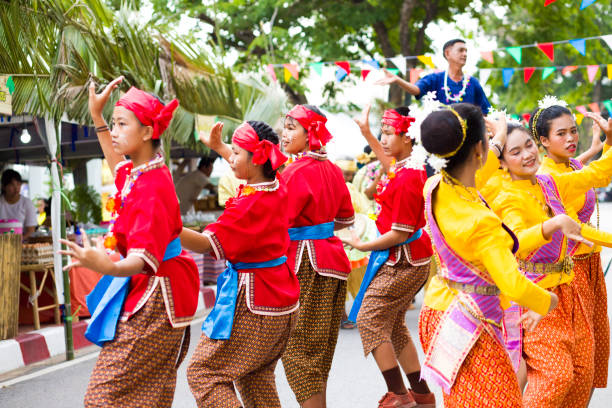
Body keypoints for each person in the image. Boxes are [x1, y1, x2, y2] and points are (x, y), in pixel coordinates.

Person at [59, 77, 200, 407]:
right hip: (156, 288)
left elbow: (142, 258)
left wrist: (108, 265)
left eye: (122, 124)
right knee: (149, 395)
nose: (115, 130)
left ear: (149, 131)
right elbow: (117, 165)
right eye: (113, 124)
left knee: (102, 399)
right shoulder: (140, 171)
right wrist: (97, 118)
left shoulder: (153, 185)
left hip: (156, 291)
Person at [417, 103, 558, 407]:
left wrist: (498, 137)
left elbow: (480, 169)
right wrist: (549, 301)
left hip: (438, 308)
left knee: (465, 400)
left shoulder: (435, 187)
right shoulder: (482, 223)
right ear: (478, 150)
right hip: (471, 319)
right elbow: (513, 285)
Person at [491, 111, 612, 408]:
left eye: (529, 146)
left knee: (584, 373)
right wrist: (551, 225)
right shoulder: (507, 197)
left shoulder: (548, 182)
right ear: (503, 162)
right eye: (515, 151)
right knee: (556, 376)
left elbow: (597, 175)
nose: (528, 154)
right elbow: (516, 241)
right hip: (538, 295)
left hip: (571, 290)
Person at [181, 120, 300, 407]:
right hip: (282, 303)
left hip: (256, 304)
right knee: (255, 378)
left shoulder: (249, 205)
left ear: (257, 158)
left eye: (236, 153)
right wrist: (221, 148)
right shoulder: (277, 185)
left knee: (203, 373)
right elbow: (254, 165)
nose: (230, 159)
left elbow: (209, 244)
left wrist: (166, 225)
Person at [343, 105, 435, 408]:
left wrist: (361, 244)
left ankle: (399, 395)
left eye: (388, 132)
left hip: (404, 259)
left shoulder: (410, 176)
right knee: (393, 325)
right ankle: (421, 394)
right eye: (382, 132)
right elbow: (386, 161)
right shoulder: (403, 165)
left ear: (407, 137)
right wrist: (367, 131)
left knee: (369, 317)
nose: (383, 139)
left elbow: (400, 233)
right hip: (403, 256)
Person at [279, 104, 355, 408]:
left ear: (309, 134)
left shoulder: (294, 172)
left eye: (291, 127)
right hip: (332, 262)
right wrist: (319, 227)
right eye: (284, 126)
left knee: (297, 352)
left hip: (305, 263)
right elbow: (345, 219)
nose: (284, 134)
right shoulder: (333, 170)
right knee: (318, 353)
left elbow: (277, 221)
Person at [376, 39, 491, 114]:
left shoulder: (473, 82)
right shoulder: (435, 78)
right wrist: (397, 80)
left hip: (468, 141)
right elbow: (416, 90)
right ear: (447, 53)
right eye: (461, 50)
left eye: (466, 51)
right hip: (439, 138)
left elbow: (485, 112)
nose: (465, 54)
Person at [0, 169, 37, 240]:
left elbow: (31, 230)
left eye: (18, 184)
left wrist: (18, 241)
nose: (16, 188)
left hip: (21, 244)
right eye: (12, 184)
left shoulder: (27, 203)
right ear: (4, 186)